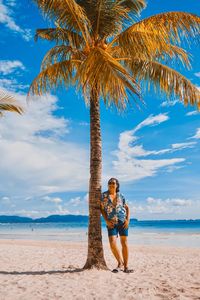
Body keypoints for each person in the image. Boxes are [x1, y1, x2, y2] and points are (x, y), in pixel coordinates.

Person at [100, 177, 133, 273]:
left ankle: (126, 267)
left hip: (123, 221)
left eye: (113, 183)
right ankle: (120, 262)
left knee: (124, 244)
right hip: (111, 222)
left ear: (117, 185)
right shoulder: (104, 196)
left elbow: (127, 208)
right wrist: (106, 220)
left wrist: (127, 220)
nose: (111, 184)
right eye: (110, 183)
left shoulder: (121, 196)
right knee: (112, 243)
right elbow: (102, 209)